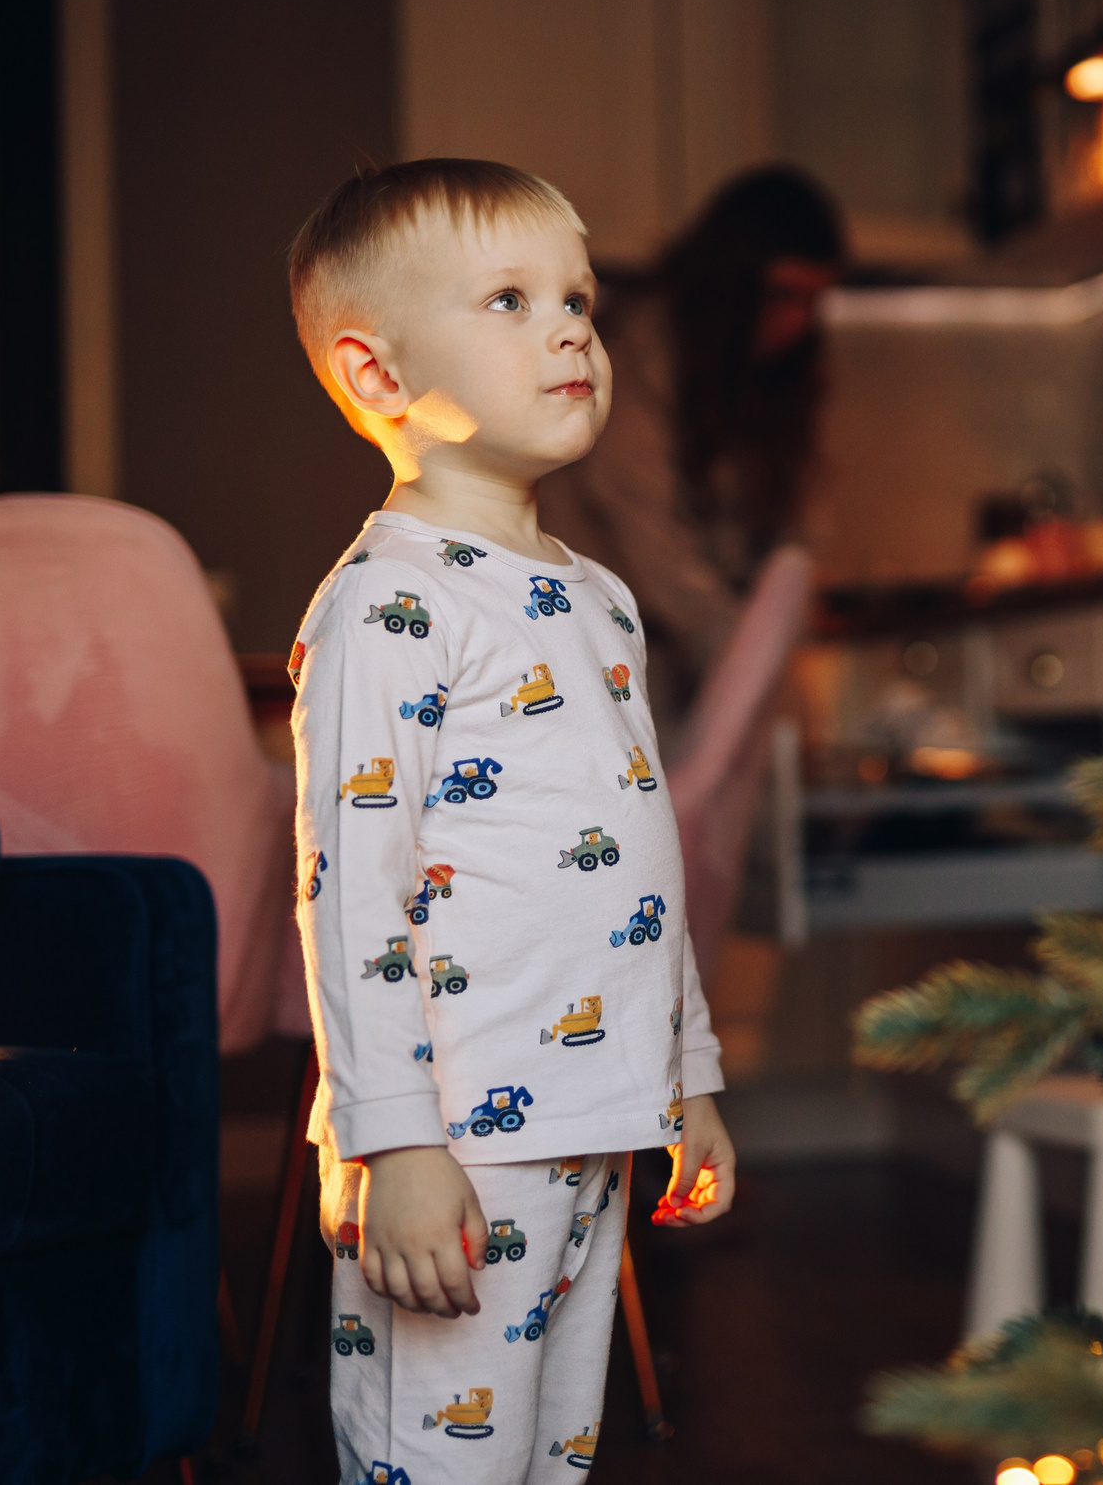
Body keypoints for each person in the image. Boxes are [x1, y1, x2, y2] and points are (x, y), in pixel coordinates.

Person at [283, 158, 734, 1480]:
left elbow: (638, 853)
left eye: (577, 299)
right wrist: (396, 1139)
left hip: (596, 1112)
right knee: (445, 1459)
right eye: (511, 299)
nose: (572, 329)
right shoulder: (385, 607)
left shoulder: (596, 596)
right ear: (378, 377)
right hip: (457, 1133)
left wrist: (686, 1072)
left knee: (553, 1456)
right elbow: (351, 890)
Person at [538, 165, 844, 709]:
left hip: (698, 660)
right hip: (599, 664)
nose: (797, 321)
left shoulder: (781, 383)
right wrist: (759, 674)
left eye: (812, 300)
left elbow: (796, 542)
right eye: (783, 294)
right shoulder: (628, 362)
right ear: (732, 281)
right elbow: (653, 540)